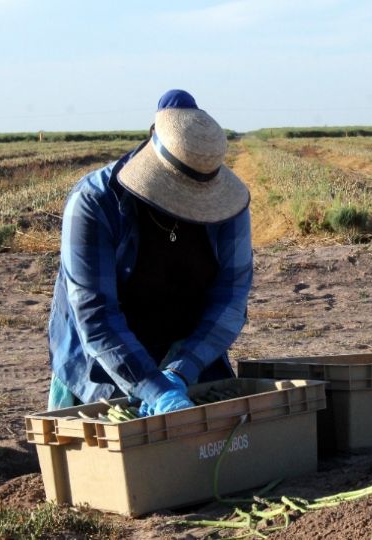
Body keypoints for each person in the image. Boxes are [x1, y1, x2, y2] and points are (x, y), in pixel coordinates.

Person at [47, 89, 252, 416]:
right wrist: (154, 388)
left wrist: (181, 370)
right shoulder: (95, 203)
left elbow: (231, 296)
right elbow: (96, 315)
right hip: (103, 361)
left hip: (188, 352)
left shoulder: (230, 209)